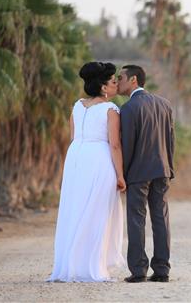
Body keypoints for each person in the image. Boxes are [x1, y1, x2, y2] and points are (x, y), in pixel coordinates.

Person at [48, 61, 126, 282]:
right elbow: (115, 145)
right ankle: (93, 266)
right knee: (97, 210)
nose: (116, 86)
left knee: (76, 208)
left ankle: (71, 264)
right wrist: (120, 175)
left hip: (76, 158)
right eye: (113, 82)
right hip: (98, 158)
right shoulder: (111, 110)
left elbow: (74, 136)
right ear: (103, 87)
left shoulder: (77, 105)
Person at [117, 65, 175, 283]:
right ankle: (162, 270)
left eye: (120, 77)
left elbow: (127, 145)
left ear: (133, 80)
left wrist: (122, 175)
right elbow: (171, 140)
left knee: (136, 220)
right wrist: (170, 168)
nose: (117, 81)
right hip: (162, 170)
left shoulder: (129, 108)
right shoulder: (164, 104)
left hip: (138, 173)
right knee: (161, 219)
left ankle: (139, 270)